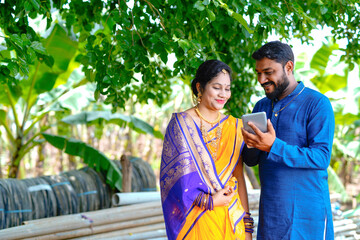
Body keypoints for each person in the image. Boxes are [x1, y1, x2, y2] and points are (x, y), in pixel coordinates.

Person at [241, 41, 335, 239]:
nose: (261, 80)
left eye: (268, 72)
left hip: (308, 217)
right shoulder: (261, 106)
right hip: (272, 215)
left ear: (289, 67)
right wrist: (251, 143)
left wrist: (273, 146)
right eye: (258, 73)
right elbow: (250, 160)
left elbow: (321, 157)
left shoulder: (317, 103)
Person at [160, 60, 254, 240]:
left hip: (231, 219)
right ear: (200, 87)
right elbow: (172, 181)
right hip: (195, 219)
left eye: (227, 89)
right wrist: (210, 201)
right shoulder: (181, 124)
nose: (223, 94)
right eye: (217, 87)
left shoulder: (234, 127)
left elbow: (238, 177)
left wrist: (247, 226)